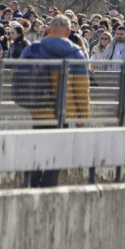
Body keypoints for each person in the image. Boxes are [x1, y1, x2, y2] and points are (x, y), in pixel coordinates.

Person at [18, 14, 90, 187]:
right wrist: (82, 117)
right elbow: (81, 89)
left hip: (39, 108)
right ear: (67, 32)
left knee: (38, 145)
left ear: (49, 30)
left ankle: (32, 183)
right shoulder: (76, 53)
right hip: (63, 111)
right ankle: (49, 185)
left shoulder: (33, 48)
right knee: (57, 149)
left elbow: (17, 74)